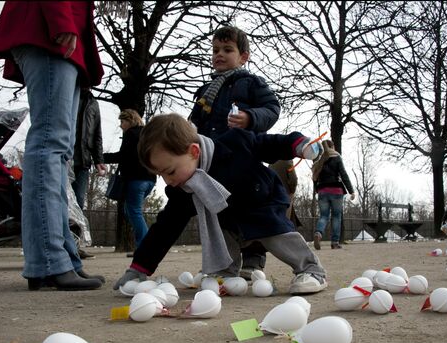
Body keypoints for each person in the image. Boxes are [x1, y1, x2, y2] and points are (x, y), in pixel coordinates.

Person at [113, 113, 327, 295]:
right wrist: (139, 268)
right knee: (221, 233)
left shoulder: (234, 143)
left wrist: (300, 145)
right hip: (227, 216)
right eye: (160, 175)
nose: (168, 181)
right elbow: (164, 229)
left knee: (276, 236)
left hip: (262, 202)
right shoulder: (184, 190)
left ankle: (311, 270)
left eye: (169, 171)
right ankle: (226, 274)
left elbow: (271, 144)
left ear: (194, 152)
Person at [0, 2, 105, 291]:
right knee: (50, 145)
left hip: (58, 36)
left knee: (58, 152)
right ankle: (49, 262)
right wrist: (61, 21)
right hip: (50, 29)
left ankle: (62, 259)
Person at [189, 25, 281, 279]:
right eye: (215, 49)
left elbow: (272, 108)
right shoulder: (204, 93)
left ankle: (254, 257)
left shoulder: (250, 83)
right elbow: (194, 122)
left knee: (250, 208)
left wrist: (250, 117)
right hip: (214, 162)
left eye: (227, 49)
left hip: (244, 158)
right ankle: (225, 260)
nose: (219, 54)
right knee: (221, 212)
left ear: (243, 56)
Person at [103, 109, 157, 257]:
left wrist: (101, 157)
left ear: (130, 120)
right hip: (150, 179)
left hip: (136, 179)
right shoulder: (147, 134)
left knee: (133, 211)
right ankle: (145, 245)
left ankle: (145, 248)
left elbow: (123, 156)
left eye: (122, 121)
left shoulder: (131, 134)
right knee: (131, 211)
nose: (121, 125)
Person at [239, 160, 302, 280]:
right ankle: (305, 267)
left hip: (263, 194)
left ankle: (250, 262)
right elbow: (293, 181)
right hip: (280, 198)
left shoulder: (270, 163)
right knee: (278, 229)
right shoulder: (286, 160)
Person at [72, 88, 106, 260]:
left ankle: (74, 246)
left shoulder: (93, 104)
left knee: (77, 203)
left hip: (83, 161)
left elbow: (96, 134)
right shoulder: (67, 92)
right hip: (64, 157)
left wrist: (98, 159)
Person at [312, 139, 355, 250]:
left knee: (323, 216)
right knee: (336, 217)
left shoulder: (320, 160)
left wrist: (317, 189)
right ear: (333, 146)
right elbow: (343, 174)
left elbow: (315, 178)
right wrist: (351, 191)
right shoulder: (337, 157)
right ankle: (335, 242)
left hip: (322, 191)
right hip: (336, 190)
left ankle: (318, 233)